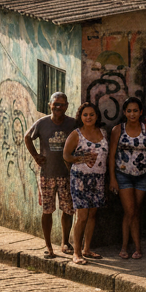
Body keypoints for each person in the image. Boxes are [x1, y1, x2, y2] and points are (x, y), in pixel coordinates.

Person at [24, 92, 77, 258]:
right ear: (50, 105)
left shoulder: (72, 124)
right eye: (56, 104)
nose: (58, 107)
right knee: (47, 210)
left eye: (62, 104)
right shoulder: (42, 123)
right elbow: (27, 137)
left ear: (67, 106)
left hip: (67, 174)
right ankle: (48, 245)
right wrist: (36, 156)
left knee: (68, 210)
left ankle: (65, 242)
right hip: (47, 174)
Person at [107, 96, 146, 259]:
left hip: (142, 176)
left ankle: (137, 247)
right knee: (129, 210)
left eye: (135, 111)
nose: (132, 114)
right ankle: (124, 246)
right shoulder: (118, 130)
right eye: (129, 111)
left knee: (136, 211)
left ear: (141, 112)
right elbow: (112, 155)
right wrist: (112, 178)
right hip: (123, 176)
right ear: (124, 112)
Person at [62, 102, 108, 265]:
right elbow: (66, 155)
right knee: (82, 216)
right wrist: (79, 159)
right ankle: (76, 252)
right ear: (80, 117)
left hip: (98, 178)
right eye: (85, 115)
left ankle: (87, 249)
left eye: (92, 114)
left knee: (92, 214)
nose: (88, 117)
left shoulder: (103, 132)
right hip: (80, 179)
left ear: (97, 116)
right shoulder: (76, 134)